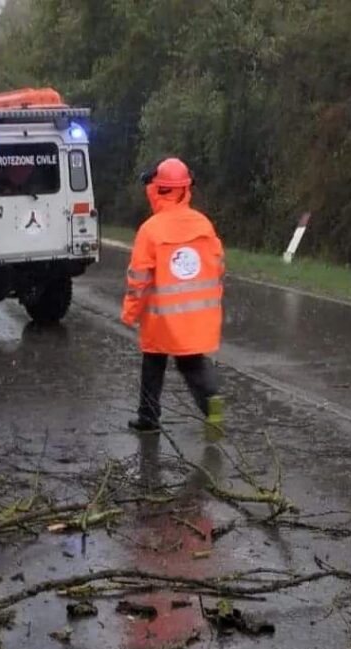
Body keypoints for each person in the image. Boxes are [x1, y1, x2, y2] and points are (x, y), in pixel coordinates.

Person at [121, 157, 225, 439]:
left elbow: (139, 279)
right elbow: (218, 266)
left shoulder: (151, 230)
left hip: (160, 318)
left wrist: (130, 313)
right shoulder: (203, 224)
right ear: (186, 188)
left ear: (157, 189)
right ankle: (210, 400)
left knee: (153, 365)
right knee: (191, 363)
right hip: (194, 317)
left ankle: (148, 417)